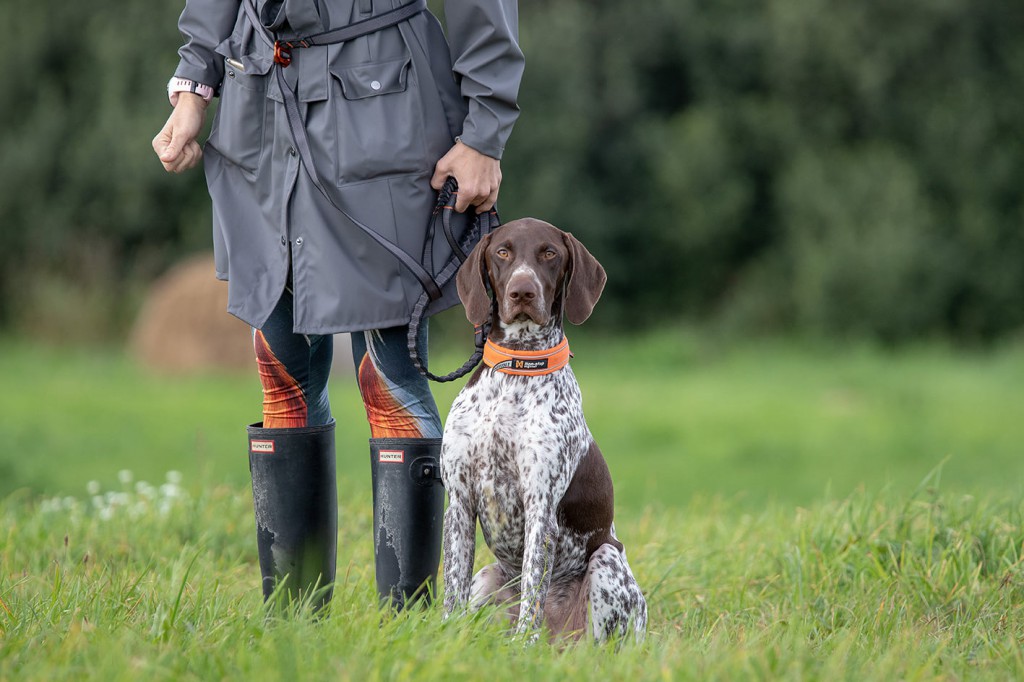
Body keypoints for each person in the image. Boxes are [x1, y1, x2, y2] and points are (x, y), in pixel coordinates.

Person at [152, 0, 523, 610]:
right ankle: (297, 630)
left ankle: (409, 632)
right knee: (282, 374)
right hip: (259, 108)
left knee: (390, 378)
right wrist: (194, 82)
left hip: (385, 105)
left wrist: (484, 133)